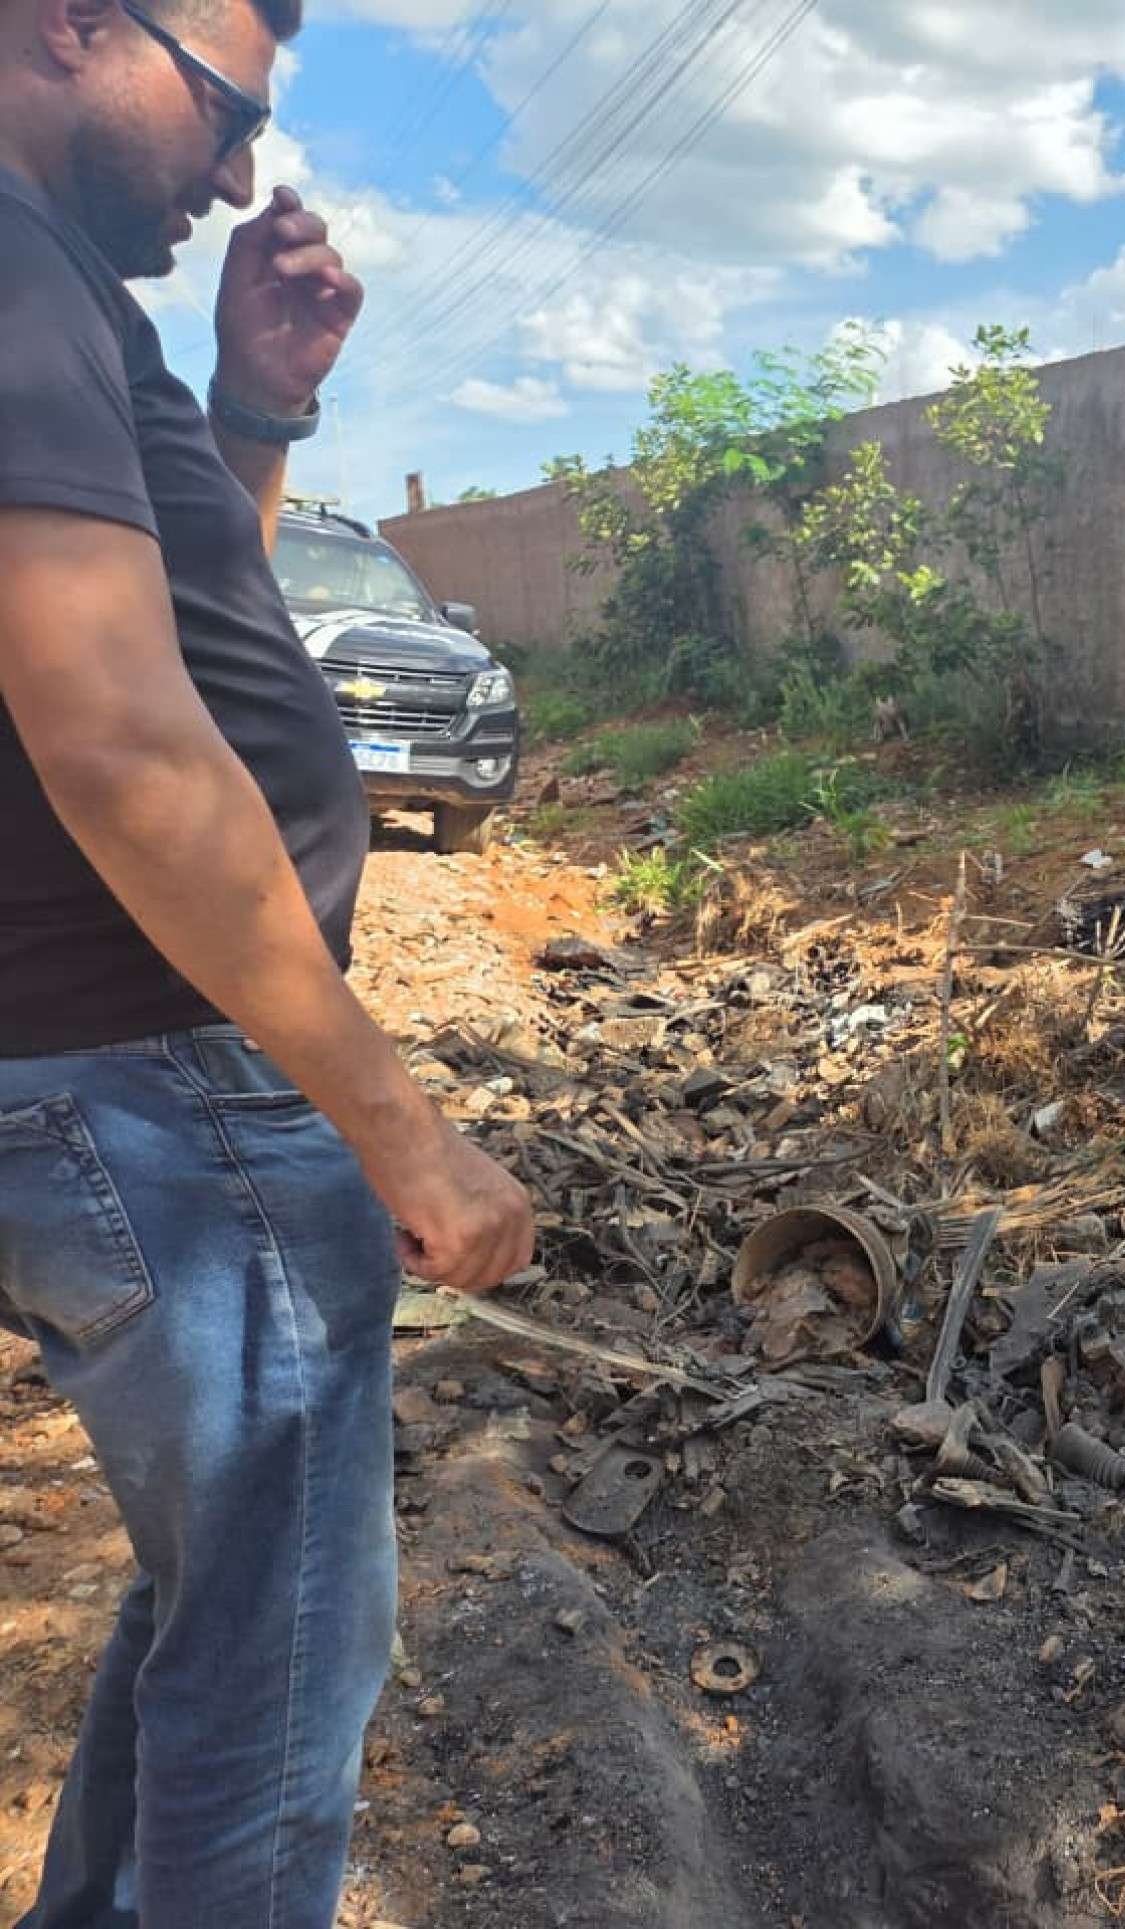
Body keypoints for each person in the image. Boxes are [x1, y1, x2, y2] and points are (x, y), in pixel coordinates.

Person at [0, 4, 537, 1924]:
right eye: (226, 114)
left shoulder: (56, 288)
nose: (239, 175)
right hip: (162, 1091)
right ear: (73, 22)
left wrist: (254, 398)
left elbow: (193, 626)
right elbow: (125, 744)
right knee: (281, 1674)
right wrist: (403, 1134)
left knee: (220, 1596)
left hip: (128, 1083)